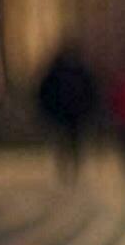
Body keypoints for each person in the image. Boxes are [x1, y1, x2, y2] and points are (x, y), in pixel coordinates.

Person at [37, 43, 99, 182]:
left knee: (71, 142)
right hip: (64, 114)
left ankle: (71, 169)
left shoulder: (78, 71)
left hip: (73, 114)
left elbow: (91, 92)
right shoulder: (70, 71)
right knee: (66, 142)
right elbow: (44, 93)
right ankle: (67, 169)